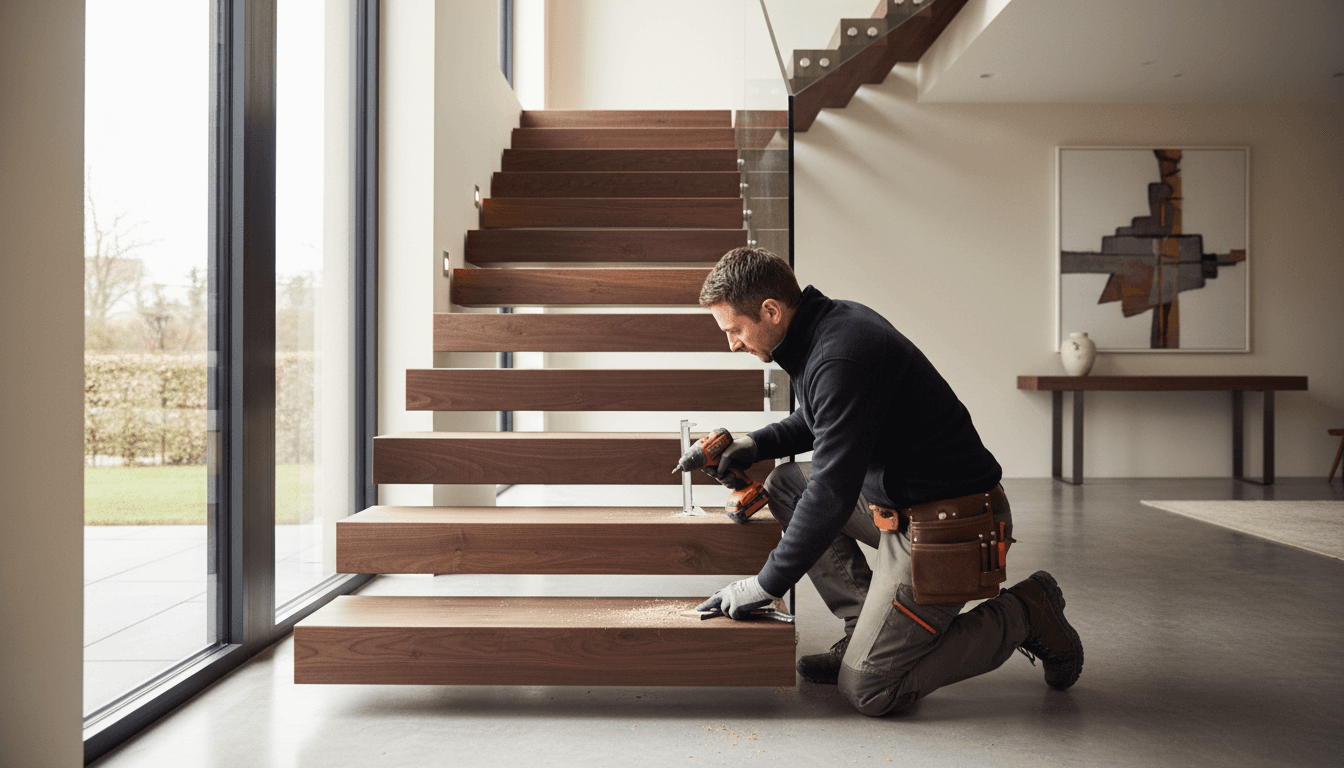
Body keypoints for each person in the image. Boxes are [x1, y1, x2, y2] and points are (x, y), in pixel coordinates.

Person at [694, 247, 1083, 716]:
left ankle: (1026, 612)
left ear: (771, 311)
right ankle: (864, 629)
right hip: (900, 503)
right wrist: (754, 444)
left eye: (735, 330)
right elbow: (820, 418)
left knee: (871, 689)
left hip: (953, 526)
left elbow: (832, 495)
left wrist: (764, 586)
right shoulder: (823, 328)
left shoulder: (841, 354)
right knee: (787, 485)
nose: (732, 344)